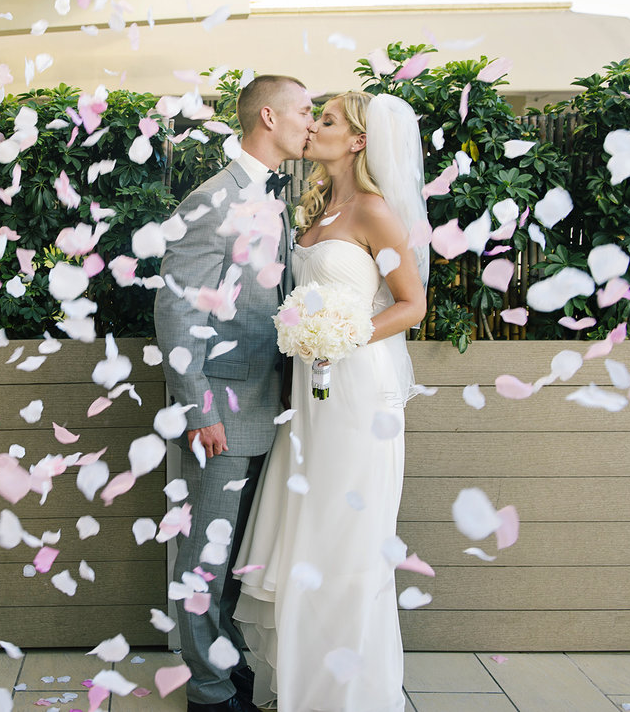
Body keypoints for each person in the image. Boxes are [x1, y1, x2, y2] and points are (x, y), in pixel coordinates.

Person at [233, 91, 429, 712]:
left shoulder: (375, 213)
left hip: (356, 389)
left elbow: (412, 305)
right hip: (308, 391)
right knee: (307, 526)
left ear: (359, 141)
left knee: (346, 531)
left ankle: (347, 693)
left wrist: (343, 335)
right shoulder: (315, 207)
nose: (313, 128)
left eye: (327, 121)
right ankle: (301, 682)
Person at [154, 74, 317, 712]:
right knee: (203, 562)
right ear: (269, 116)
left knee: (234, 559)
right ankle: (210, 694)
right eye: (305, 111)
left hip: (269, 405)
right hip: (219, 412)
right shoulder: (211, 201)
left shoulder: (286, 192)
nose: (312, 121)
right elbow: (176, 313)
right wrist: (197, 407)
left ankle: (226, 668)